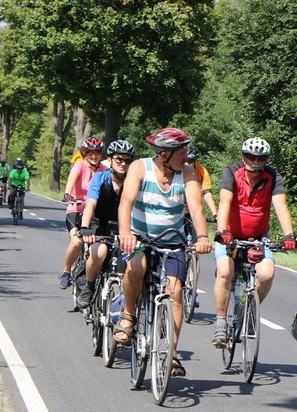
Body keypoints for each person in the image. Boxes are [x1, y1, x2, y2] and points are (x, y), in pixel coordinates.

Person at [115, 127, 212, 378]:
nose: (185, 155)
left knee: (175, 293)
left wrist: (202, 237)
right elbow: (126, 202)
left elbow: (196, 209)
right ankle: (128, 314)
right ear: (163, 154)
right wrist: (125, 233)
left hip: (174, 241)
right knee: (136, 269)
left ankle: (172, 352)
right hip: (139, 237)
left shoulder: (189, 173)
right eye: (180, 151)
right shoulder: (139, 167)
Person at [211, 137, 297, 348]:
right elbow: (224, 202)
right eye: (251, 157)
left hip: (258, 237)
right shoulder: (232, 172)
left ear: (266, 160)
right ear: (243, 157)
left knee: (267, 273)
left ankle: (249, 309)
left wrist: (289, 235)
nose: (255, 161)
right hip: (230, 234)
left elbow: (281, 206)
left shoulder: (273, 176)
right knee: (224, 272)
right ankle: (221, 323)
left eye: (260, 158)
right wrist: (222, 231)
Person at [76, 140, 135, 306]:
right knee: (99, 252)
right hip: (99, 223)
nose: (123, 163)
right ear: (110, 160)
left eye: (127, 160)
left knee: (131, 262)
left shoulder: (134, 181)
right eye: (119, 159)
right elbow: (91, 203)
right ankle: (89, 287)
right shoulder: (100, 178)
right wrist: (85, 228)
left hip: (124, 226)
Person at [58, 137, 106, 289]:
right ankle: (66, 272)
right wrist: (67, 193)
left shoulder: (104, 170)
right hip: (76, 209)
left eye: (97, 152)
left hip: (94, 213)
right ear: (85, 153)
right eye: (90, 152)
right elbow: (72, 179)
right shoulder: (80, 166)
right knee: (76, 242)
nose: (94, 155)